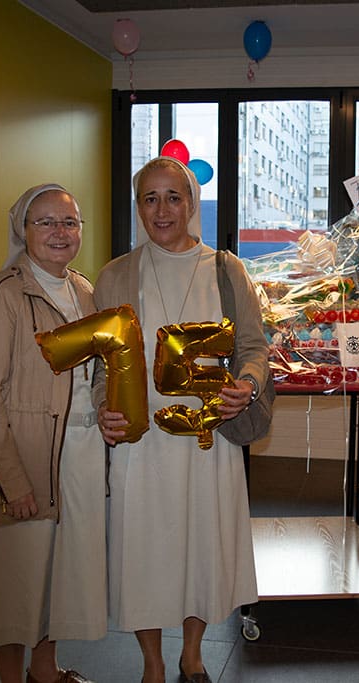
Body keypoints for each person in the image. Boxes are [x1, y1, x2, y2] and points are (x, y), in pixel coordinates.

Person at [94, 157, 266, 683]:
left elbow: (254, 348)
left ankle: (192, 654)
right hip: (142, 442)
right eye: (150, 198)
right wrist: (103, 407)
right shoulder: (115, 275)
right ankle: (152, 663)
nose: (162, 209)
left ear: (192, 203)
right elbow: (101, 366)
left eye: (173, 196)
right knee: (143, 550)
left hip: (206, 439)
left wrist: (248, 385)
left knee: (201, 545)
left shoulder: (226, 270)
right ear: (138, 207)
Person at [0, 184, 104, 683]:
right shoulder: (2, 295)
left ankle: (45, 671)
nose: (60, 232)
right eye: (46, 222)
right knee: (12, 585)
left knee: (54, 577)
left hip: (77, 457)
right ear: (23, 230)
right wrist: (12, 480)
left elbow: (96, 373)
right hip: (27, 456)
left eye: (70, 222)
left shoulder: (84, 291)